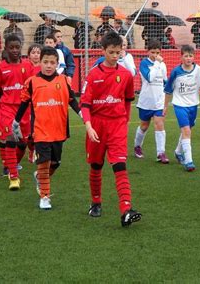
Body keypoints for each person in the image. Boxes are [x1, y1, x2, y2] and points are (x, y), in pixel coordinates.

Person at [80, 31, 142, 227]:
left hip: (117, 126)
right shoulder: (93, 75)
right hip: (97, 125)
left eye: (118, 52)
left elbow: (128, 101)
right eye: (111, 52)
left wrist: (125, 122)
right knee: (96, 165)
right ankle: (96, 202)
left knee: (120, 165)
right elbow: (85, 105)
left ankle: (126, 210)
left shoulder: (125, 75)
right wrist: (89, 126)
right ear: (103, 51)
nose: (115, 56)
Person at [13, 47, 81, 210]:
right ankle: (44, 196)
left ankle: (40, 177)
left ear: (57, 64)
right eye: (45, 62)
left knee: (55, 163)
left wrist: (83, 115)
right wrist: (16, 122)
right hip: (40, 130)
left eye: (52, 63)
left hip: (59, 129)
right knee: (43, 162)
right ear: (40, 62)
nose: (49, 66)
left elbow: (72, 101)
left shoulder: (64, 80)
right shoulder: (32, 82)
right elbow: (23, 103)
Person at [0, 35, 33, 189]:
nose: (14, 50)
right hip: (6, 109)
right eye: (11, 47)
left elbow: (34, 90)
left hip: (24, 111)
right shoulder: (0, 68)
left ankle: (10, 165)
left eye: (17, 47)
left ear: (21, 48)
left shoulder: (28, 67)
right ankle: (14, 177)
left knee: (23, 143)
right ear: (6, 48)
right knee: (11, 138)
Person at [164, 45, 200, 171]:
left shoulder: (197, 69)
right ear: (181, 57)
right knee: (186, 131)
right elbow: (168, 90)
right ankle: (189, 161)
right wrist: (165, 106)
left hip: (193, 105)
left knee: (188, 130)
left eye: (191, 56)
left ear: (194, 57)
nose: (188, 58)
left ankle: (178, 151)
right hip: (180, 104)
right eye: (186, 56)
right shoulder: (176, 72)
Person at [134, 39, 168, 163]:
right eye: (153, 52)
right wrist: (157, 64)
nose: (155, 55)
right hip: (146, 101)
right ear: (148, 51)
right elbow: (149, 78)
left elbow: (165, 81)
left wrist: (166, 101)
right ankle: (137, 146)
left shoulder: (162, 65)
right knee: (144, 126)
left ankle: (161, 153)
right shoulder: (144, 63)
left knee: (159, 124)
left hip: (159, 101)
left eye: (157, 52)